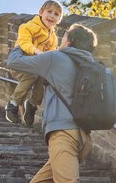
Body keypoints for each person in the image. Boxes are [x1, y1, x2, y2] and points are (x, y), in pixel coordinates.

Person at [7, 24, 98, 183]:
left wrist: (21, 43)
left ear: (69, 41)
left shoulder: (55, 58)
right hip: (83, 138)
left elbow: (14, 62)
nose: (62, 37)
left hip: (64, 135)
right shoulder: (90, 65)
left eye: (65, 34)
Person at [5, 0, 63, 126]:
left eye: (56, 14)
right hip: (21, 62)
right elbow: (24, 43)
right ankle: (13, 104)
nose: (52, 16)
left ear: (59, 19)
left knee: (42, 77)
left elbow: (51, 53)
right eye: (49, 12)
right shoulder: (27, 27)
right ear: (41, 12)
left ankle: (32, 104)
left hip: (37, 66)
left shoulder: (53, 37)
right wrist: (36, 51)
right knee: (31, 74)